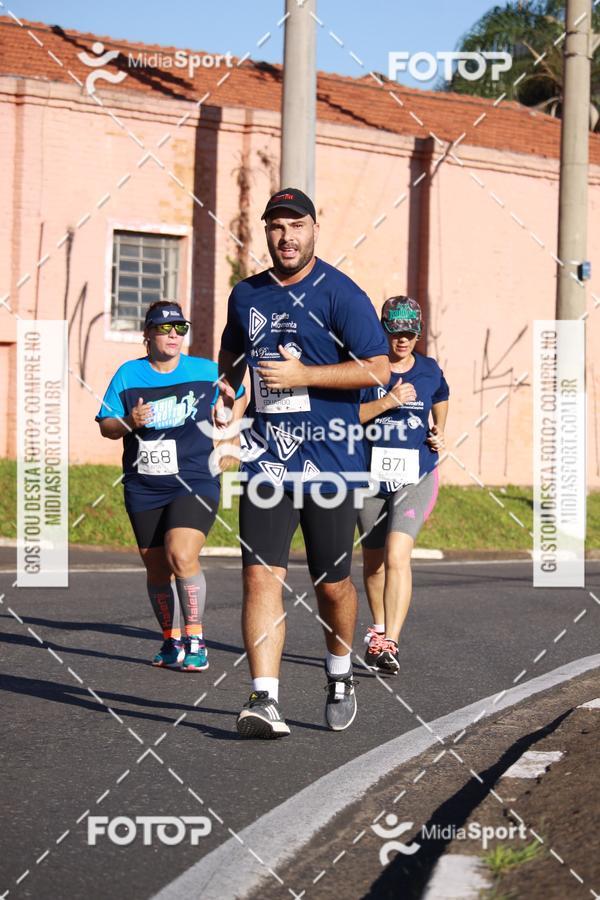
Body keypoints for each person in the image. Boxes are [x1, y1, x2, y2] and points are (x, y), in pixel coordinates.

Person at [216, 187, 391, 739]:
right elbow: (231, 354)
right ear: (265, 233)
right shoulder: (246, 296)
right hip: (267, 458)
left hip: (332, 461)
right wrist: (228, 391)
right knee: (258, 575)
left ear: (315, 228)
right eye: (276, 227)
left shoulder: (340, 293)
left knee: (332, 585)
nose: (286, 237)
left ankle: (339, 672)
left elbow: (379, 369)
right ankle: (264, 698)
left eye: (296, 226)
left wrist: (305, 376)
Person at [96, 301, 244, 672]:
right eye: (164, 329)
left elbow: (240, 392)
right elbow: (106, 426)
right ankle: (169, 641)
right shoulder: (128, 375)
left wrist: (228, 428)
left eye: (180, 327)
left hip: (193, 479)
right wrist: (129, 421)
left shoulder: (204, 370)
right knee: (157, 567)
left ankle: (195, 638)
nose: (174, 334)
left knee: (181, 554)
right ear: (147, 334)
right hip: (144, 484)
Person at [358, 296, 449, 674]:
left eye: (410, 334)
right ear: (383, 329)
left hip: (416, 476)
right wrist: (388, 401)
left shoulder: (428, 369)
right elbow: (351, 417)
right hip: (369, 477)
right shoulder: (365, 369)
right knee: (374, 562)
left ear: (418, 333)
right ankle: (378, 631)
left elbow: (441, 395)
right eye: (395, 332)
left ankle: (391, 640)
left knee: (398, 554)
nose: (402, 340)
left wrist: (439, 430)